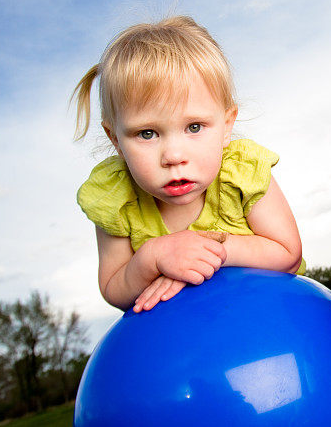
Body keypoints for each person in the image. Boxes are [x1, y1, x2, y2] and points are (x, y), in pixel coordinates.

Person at [72, 16, 302, 313]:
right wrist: (153, 257)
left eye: (194, 127)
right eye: (147, 133)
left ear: (226, 125)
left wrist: (206, 249)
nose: (173, 156)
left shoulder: (243, 173)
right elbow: (113, 289)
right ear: (115, 139)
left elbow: (288, 253)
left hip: (268, 319)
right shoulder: (117, 198)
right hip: (184, 347)